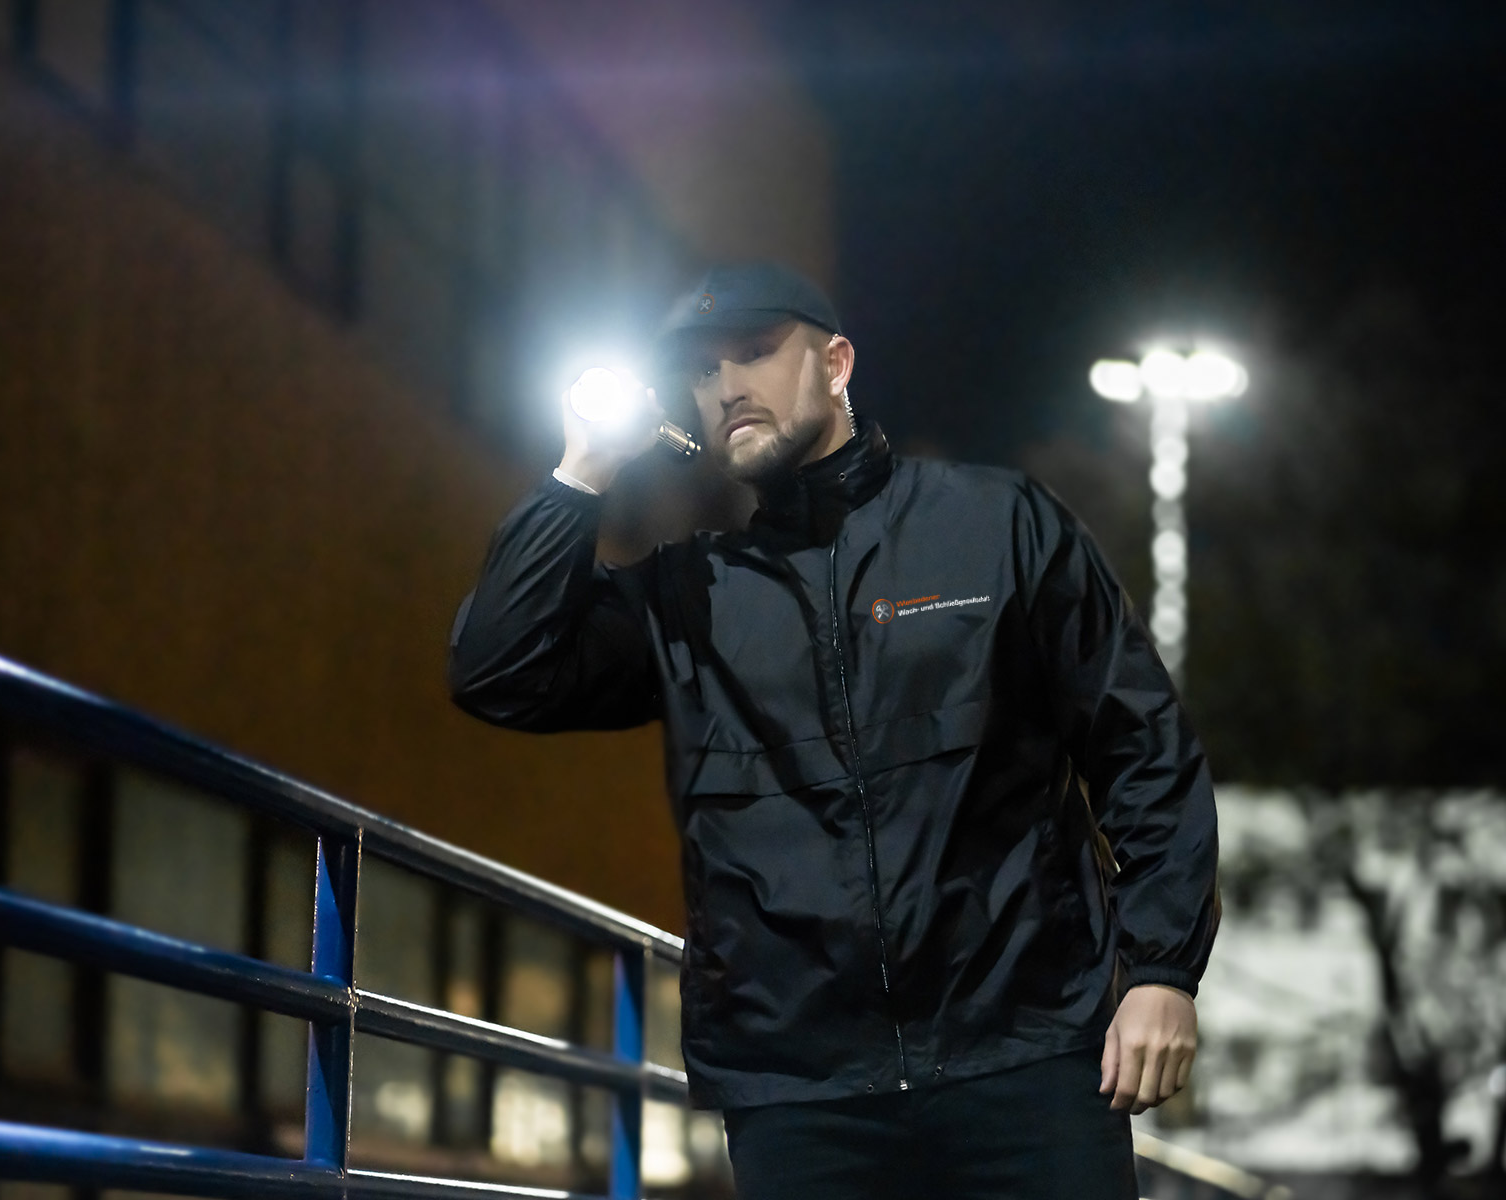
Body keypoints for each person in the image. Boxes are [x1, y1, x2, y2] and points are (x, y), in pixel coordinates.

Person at [447, 262, 1219, 1198]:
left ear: (837, 363)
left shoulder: (998, 526)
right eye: (702, 370)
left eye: (755, 351)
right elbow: (499, 671)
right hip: (801, 1099)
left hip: (1027, 1063)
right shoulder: (689, 596)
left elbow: (1144, 748)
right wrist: (581, 476)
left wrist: (1161, 971)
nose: (726, 386)